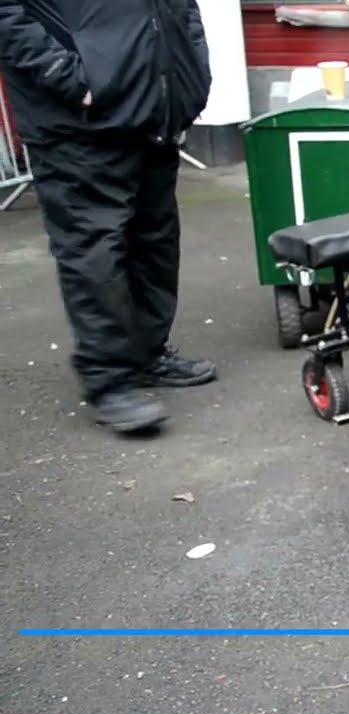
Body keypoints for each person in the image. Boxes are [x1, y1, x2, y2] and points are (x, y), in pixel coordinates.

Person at [0, 0, 218, 434]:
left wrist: (193, 70)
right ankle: (110, 382)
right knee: (94, 251)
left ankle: (148, 355)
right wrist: (68, 76)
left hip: (154, 108)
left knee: (155, 241)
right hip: (77, 124)